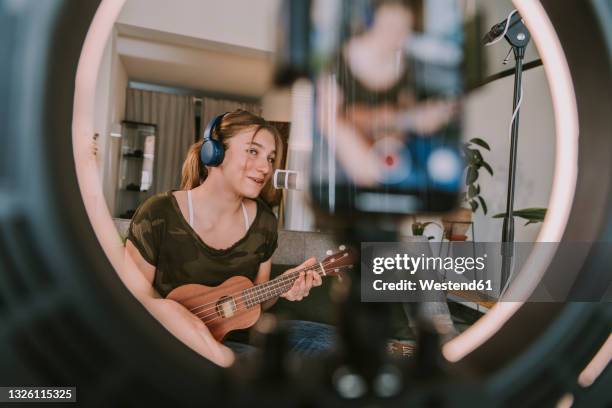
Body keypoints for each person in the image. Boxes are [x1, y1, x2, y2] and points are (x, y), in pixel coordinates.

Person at [122, 109, 332, 367]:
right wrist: (193, 330)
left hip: (239, 340)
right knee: (168, 311)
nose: (265, 167)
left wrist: (285, 286)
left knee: (332, 345)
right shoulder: (158, 213)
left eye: (271, 157)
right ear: (215, 152)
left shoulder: (264, 221)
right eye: (253, 151)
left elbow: (258, 303)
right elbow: (134, 303)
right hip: (171, 343)